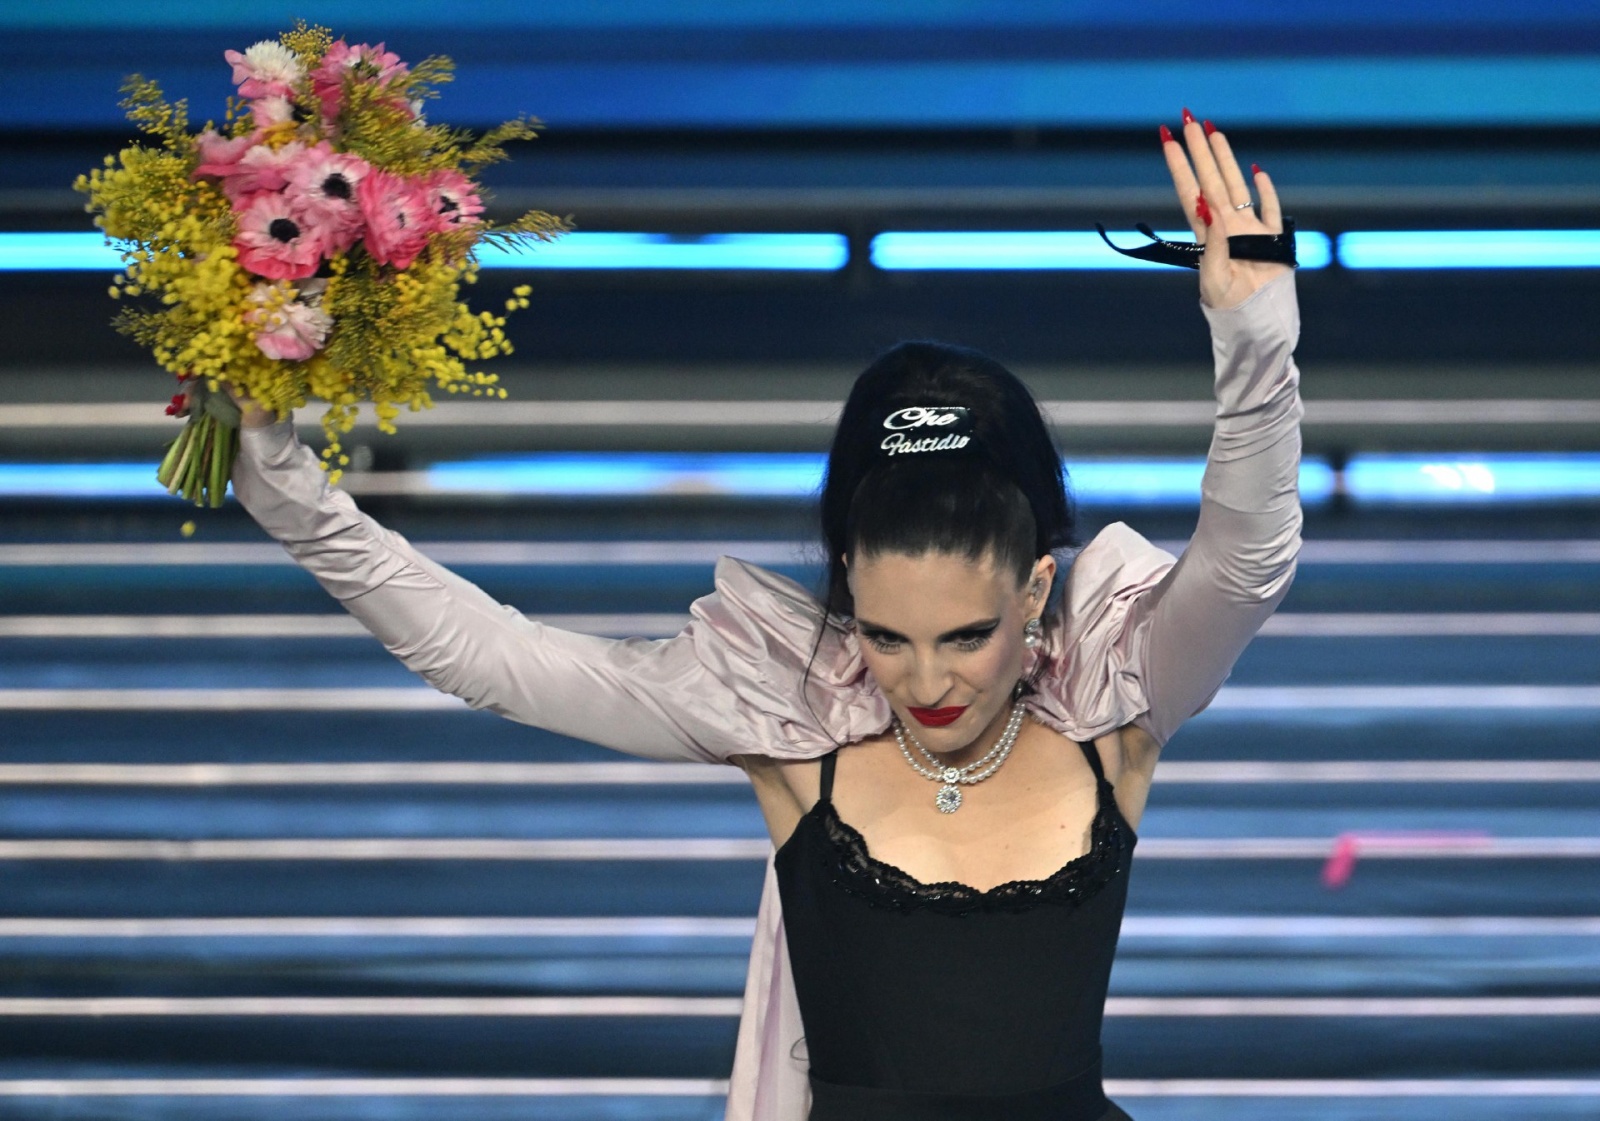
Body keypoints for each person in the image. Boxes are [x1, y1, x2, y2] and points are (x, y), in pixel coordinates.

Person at [220, 112, 1302, 1121]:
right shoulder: (789, 725)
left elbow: (1244, 561)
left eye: (966, 635)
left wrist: (1253, 338)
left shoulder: (1116, 703)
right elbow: (491, 655)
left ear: (1032, 591)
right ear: (844, 589)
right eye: (885, 634)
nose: (925, 681)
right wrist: (283, 485)